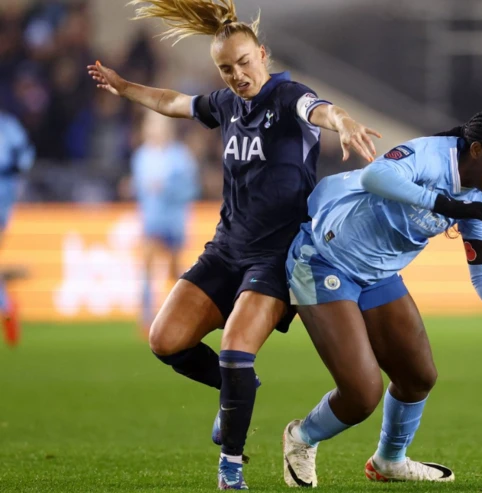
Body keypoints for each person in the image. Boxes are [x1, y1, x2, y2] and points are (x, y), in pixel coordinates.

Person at [87, 0, 381, 489]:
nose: (237, 75)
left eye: (244, 62)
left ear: (262, 54)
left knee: (235, 348)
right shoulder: (225, 105)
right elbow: (171, 101)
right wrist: (123, 87)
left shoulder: (289, 96)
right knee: (165, 340)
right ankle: (237, 393)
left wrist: (344, 120)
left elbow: (319, 110)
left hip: (276, 257)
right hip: (225, 250)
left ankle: (231, 468)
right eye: (226, 69)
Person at [282, 109, 482, 487]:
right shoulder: (431, 155)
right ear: (477, 149)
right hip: (324, 261)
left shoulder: (479, 197)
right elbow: (374, 175)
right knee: (361, 395)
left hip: (379, 275)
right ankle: (300, 439)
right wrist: (449, 206)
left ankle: (389, 462)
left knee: (418, 377)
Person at [130, 111, 199, 332]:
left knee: (174, 271)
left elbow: (191, 189)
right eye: (151, 125)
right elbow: (142, 191)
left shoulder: (180, 156)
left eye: (158, 126)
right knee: (147, 268)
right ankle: (147, 317)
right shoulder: (141, 156)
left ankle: (185, 311)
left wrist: (167, 188)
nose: (154, 130)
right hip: (151, 220)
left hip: (173, 221)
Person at [0, 109, 35, 347]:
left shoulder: (8, 126)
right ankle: (7, 307)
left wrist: (16, 178)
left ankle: (7, 309)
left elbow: (26, 156)